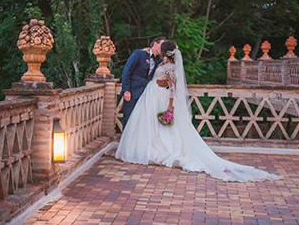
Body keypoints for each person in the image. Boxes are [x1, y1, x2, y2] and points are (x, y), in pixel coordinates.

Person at [115, 40, 280, 182]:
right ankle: (148, 147)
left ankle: (162, 150)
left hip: (161, 98)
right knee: (150, 125)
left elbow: (172, 86)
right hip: (150, 96)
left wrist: (170, 105)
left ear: (165, 51)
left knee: (162, 127)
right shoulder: (159, 60)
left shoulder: (171, 65)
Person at [120, 37, 165, 128]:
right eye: (162, 45)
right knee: (129, 118)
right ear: (155, 44)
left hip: (147, 94)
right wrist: (126, 90)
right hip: (133, 91)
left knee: (141, 120)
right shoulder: (139, 54)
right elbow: (127, 71)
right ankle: (127, 141)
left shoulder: (158, 60)